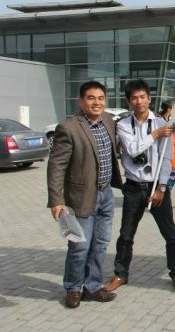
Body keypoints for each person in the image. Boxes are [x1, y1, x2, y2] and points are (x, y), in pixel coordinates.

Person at [104, 79, 175, 292]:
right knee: (126, 235)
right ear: (128, 101)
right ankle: (120, 274)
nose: (139, 101)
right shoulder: (123, 125)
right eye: (134, 98)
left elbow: (166, 158)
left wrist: (161, 188)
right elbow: (132, 149)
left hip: (156, 186)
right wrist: (155, 134)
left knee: (170, 233)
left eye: (143, 97)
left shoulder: (161, 123)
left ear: (149, 99)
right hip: (133, 186)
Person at [47, 81, 123, 309]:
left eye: (100, 98)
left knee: (100, 245)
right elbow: (56, 166)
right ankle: (72, 288)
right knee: (79, 246)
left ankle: (92, 287)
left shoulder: (108, 121)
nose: (97, 102)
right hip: (81, 197)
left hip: (106, 195)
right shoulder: (68, 128)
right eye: (91, 98)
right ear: (81, 101)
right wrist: (57, 200)